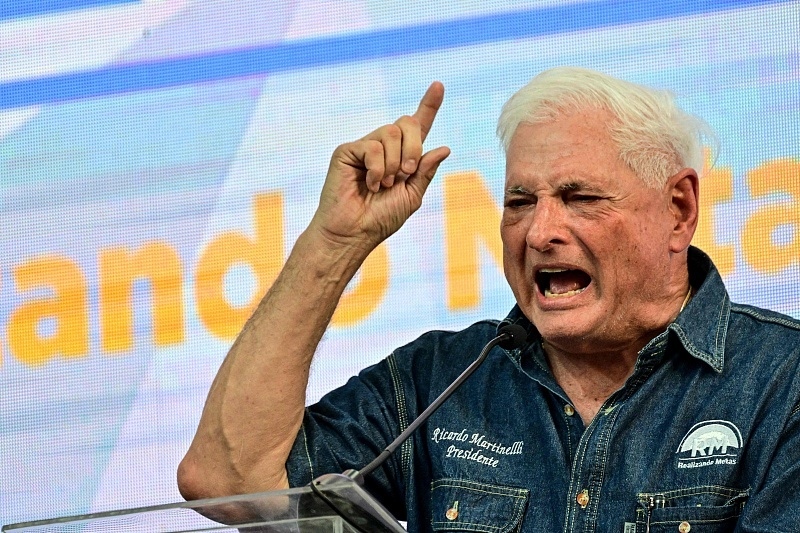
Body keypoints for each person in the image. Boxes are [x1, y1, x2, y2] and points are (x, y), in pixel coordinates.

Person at [178, 67, 800, 532]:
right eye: (519, 202)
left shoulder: (782, 381)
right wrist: (335, 242)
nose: (539, 232)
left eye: (580, 198)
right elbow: (228, 482)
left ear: (679, 210)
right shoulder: (438, 382)